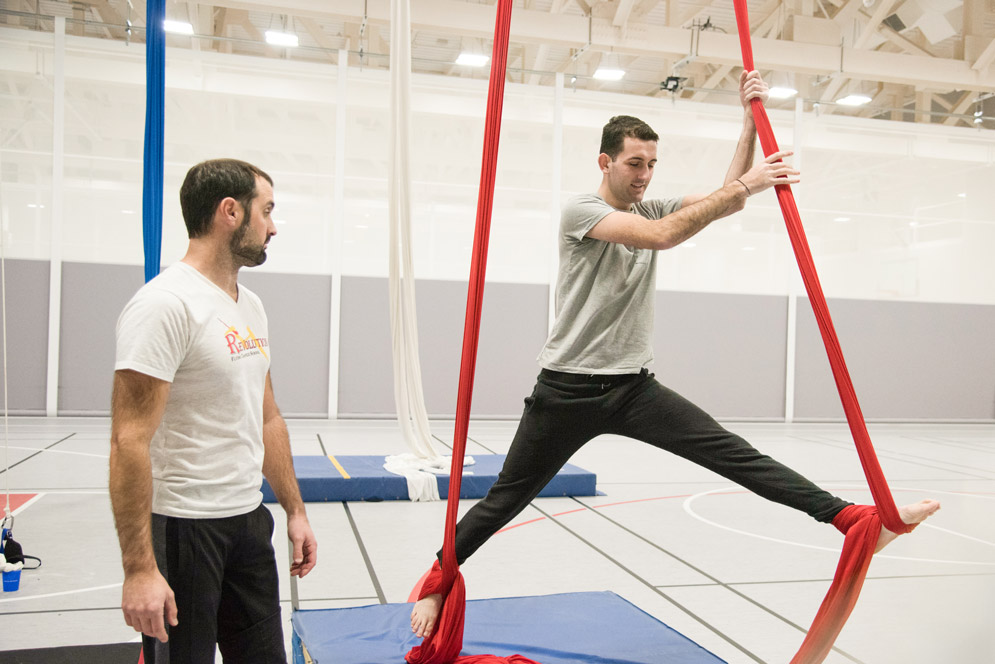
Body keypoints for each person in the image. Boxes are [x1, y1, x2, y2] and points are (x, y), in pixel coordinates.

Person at [410, 71, 939, 638]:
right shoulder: (581, 213)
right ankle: (437, 583)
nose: (645, 175)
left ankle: (850, 519)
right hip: (567, 389)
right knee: (504, 500)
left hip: (634, 389)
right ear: (605, 162)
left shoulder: (651, 204)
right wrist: (748, 186)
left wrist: (747, 125)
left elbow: (721, 200)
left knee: (734, 454)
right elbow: (667, 235)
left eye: (652, 164)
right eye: (635, 163)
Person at [109, 159, 317, 663]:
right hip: (184, 530)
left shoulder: (251, 306)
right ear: (230, 212)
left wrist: (294, 509)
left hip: (247, 523)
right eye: (265, 211)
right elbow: (128, 440)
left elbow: (266, 416)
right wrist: (139, 568)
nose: (272, 226)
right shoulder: (165, 305)